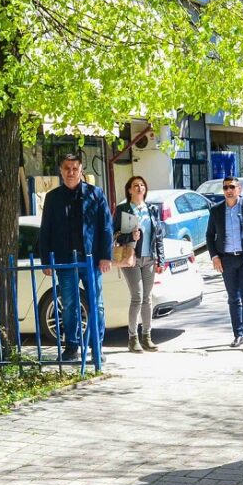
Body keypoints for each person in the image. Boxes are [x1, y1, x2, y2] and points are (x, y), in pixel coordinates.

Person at [38, 152, 113, 362]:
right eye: (67, 168)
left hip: (91, 260)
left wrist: (106, 256)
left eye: (74, 168)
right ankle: (71, 347)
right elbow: (45, 231)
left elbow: (106, 227)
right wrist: (46, 261)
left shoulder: (95, 194)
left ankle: (96, 347)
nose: (71, 172)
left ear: (81, 170)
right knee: (69, 305)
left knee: (96, 304)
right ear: (61, 171)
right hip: (65, 261)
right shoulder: (52, 197)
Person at [205, 176, 243, 348]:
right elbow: (210, 235)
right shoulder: (216, 210)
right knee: (233, 298)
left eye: (232, 187)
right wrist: (214, 257)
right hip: (227, 260)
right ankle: (237, 335)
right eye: (225, 188)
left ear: (239, 189)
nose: (229, 190)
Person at [114, 175, 165, 353]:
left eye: (142, 185)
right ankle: (132, 338)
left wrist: (161, 259)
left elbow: (158, 235)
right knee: (137, 297)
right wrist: (130, 236)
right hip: (131, 257)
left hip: (149, 258)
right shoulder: (123, 209)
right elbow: (114, 234)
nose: (139, 187)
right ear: (129, 190)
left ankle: (147, 337)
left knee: (147, 298)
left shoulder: (151, 209)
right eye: (135, 185)